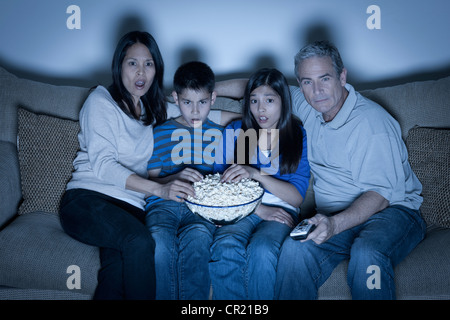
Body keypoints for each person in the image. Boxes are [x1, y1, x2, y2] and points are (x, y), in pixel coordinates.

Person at [58, 32, 225, 299]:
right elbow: (104, 166)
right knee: (139, 241)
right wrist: (160, 190)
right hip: (88, 201)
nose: (141, 72)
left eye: (149, 64)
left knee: (116, 272)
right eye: (132, 63)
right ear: (119, 66)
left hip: (130, 208)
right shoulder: (100, 102)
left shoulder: (154, 108)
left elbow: (202, 107)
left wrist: (257, 108)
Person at [272, 41, 426, 299]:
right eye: (307, 82)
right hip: (336, 215)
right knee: (295, 249)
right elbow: (258, 85)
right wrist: (207, 92)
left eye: (325, 78)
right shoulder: (309, 106)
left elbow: (380, 196)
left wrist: (333, 224)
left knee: (367, 254)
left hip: (392, 211)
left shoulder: (372, 124)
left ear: (342, 76)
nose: (317, 90)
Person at [210, 68, 311, 300]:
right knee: (226, 246)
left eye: (269, 100)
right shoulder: (237, 132)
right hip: (242, 208)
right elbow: (219, 185)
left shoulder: (296, 136)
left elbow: (296, 197)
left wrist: (256, 173)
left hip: (282, 210)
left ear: (283, 102)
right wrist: (259, 209)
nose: (261, 108)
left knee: (262, 250)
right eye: (254, 100)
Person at [145, 61, 238, 299]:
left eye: (202, 103)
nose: (195, 112)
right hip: (163, 204)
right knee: (160, 242)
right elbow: (151, 182)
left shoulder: (220, 132)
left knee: (197, 241)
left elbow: (257, 115)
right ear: (175, 99)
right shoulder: (160, 132)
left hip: (200, 206)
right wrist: (176, 176)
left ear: (213, 99)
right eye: (187, 102)